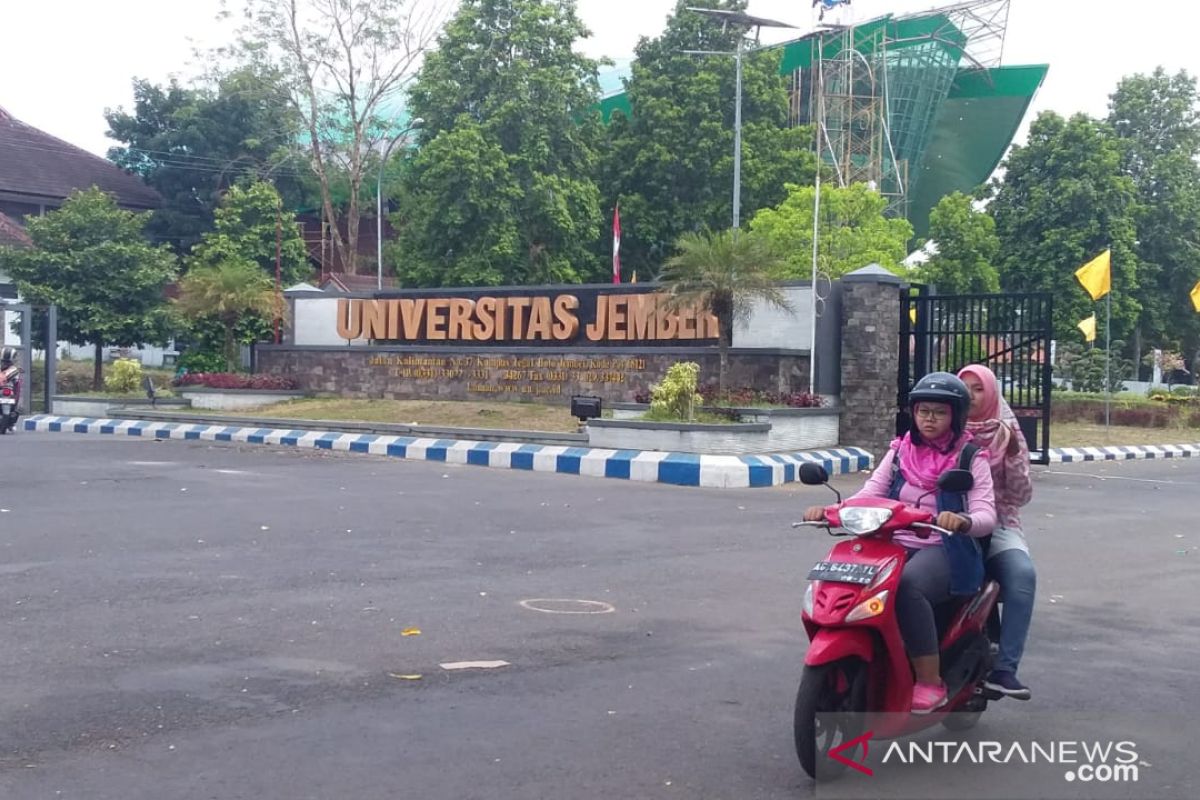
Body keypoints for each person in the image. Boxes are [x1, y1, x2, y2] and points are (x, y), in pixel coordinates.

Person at [804, 372, 996, 713]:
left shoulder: (970, 458)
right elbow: (870, 493)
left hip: (943, 546)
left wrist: (961, 520)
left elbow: (985, 514)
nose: (930, 419)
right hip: (891, 540)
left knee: (907, 588)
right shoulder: (900, 451)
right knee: (845, 573)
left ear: (956, 415)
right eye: (923, 411)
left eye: (939, 412)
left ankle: (929, 680)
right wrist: (832, 510)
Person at [958, 364, 1036, 701]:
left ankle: (1005, 668)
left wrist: (1015, 459)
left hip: (999, 521)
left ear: (990, 394)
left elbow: (1020, 497)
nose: (971, 396)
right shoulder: (945, 423)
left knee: (1022, 576)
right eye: (965, 388)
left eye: (979, 389)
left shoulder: (1006, 433)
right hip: (944, 522)